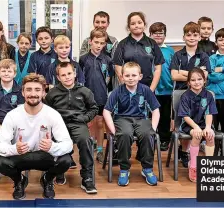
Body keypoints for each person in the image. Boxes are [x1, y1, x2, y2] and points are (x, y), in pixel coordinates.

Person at [0, 73, 73, 200]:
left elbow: (68, 144)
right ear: (23, 93)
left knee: (66, 160)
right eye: (29, 90)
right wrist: (15, 149)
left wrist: (52, 146)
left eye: (37, 90)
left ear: (43, 93)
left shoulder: (53, 114)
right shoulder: (12, 115)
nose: (33, 94)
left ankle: (47, 180)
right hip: (20, 156)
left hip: (44, 156)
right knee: (2, 162)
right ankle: (19, 181)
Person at [103, 62, 160, 186]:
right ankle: (124, 169)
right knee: (124, 134)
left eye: (134, 75)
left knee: (147, 134)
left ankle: (147, 169)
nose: (130, 78)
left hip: (141, 119)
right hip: (122, 119)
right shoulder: (117, 91)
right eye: (127, 75)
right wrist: (113, 130)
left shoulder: (145, 90)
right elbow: (106, 111)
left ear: (140, 76)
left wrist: (153, 128)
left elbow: (155, 110)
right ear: (122, 77)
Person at [45, 62, 98, 194]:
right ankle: (59, 171)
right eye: (63, 75)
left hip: (78, 123)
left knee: (85, 141)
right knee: (53, 142)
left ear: (74, 74)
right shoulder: (52, 93)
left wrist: (84, 118)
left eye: (69, 73)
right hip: (59, 125)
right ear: (58, 77)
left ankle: (87, 177)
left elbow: (94, 108)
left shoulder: (85, 91)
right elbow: (46, 110)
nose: (67, 77)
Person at [170, 22, 211, 166]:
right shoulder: (177, 55)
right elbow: (174, 76)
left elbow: (204, 76)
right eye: (188, 35)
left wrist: (184, 73)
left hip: (199, 93)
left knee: (197, 121)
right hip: (181, 93)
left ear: (199, 37)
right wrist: (195, 74)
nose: (192, 37)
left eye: (195, 35)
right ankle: (184, 150)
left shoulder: (204, 56)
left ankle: (188, 151)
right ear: (183, 37)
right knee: (183, 123)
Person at [79, 28, 114, 162]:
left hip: (101, 97)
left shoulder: (107, 60)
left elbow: (109, 79)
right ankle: (89, 147)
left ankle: (100, 150)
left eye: (102, 43)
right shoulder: (83, 59)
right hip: (86, 97)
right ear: (90, 42)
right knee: (89, 123)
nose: (99, 45)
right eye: (96, 42)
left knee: (100, 123)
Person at [177, 68, 217, 182]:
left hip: (205, 124)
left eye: (199, 79)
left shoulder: (208, 95)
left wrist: (208, 127)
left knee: (210, 135)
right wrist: (196, 127)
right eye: (193, 80)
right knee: (197, 135)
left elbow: (209, 113)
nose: (197, 82)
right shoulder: (185, 96)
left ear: (204, 80)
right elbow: (185, 116)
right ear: (189, 82)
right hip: (189, 125)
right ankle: (193, 166)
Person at [113, 12, 164, 92]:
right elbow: (118, 67)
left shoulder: (152, 43)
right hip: (128, 88)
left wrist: (151, 90)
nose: (136, 25)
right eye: (133, 24)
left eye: (139, 22)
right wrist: (125, 87)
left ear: (144, 24)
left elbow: (158, 69)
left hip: (148, 87)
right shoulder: (122, 44)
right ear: (128, 27)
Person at [149, 22, 175, 151]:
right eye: (155, 33)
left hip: (166, 88)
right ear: (150, 35)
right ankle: (151, 138)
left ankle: (164, 140)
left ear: (165, 35)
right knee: (150, 115)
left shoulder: (170, 51)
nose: (158, 36)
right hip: (150, 89)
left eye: (161, 33)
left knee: (165, 116)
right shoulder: (147, 48)